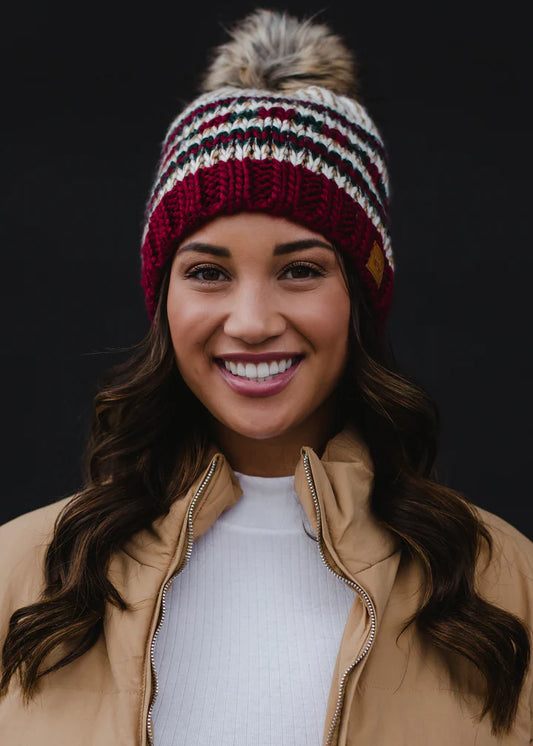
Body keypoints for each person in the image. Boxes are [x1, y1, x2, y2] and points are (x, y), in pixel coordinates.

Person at [0, 9, 531, 745]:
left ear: (360, 296)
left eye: (301, 270)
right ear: (165, 300)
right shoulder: (23, 574)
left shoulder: (502, 581)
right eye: (208, 272)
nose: (250, 321)